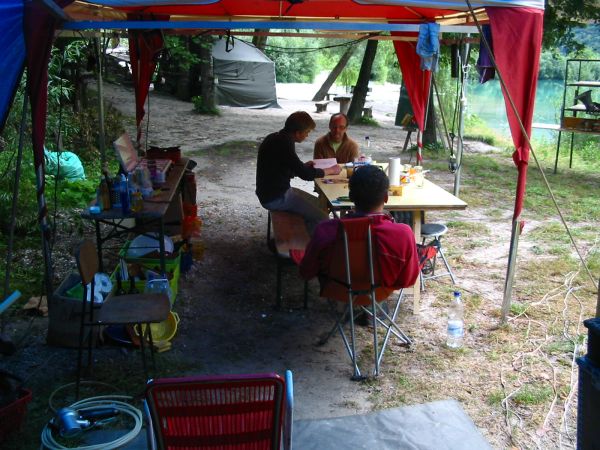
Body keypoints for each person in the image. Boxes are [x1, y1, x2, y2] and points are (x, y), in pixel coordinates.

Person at [299, 165, 419, 291]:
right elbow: (408, 280)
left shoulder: (326, 230)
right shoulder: (403, 234)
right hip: (381, 291)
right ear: (386, 197)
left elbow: (306, 272)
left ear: (350, 197)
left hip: (338, 289)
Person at [256, 111, 342, 233]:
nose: (307, 136)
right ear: (297, 133)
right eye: (307, 132)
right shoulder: (285, 143)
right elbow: (306, 175)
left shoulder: (276, 137)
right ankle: (313, 244)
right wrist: (331, 170)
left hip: (270, 193)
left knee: (320, 205)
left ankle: (310, 236)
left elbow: (284, 168)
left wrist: (302, 166)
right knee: (321, 217)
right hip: (276, 198)